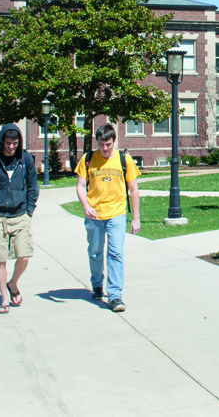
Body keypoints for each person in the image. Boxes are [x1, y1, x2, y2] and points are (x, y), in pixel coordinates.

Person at [75, 123, 141, 312]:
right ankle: (97, 283)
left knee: (115, 253)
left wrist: (135, 218)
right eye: (102, 144)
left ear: (114, 141)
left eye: (109, 144)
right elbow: (80, 186)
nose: (105, 149)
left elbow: (134, 189)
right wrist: (85, 206)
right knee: (95, 253)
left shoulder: (124, 159)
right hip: (94, 214)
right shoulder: (88, 159)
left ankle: (114, 295)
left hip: (117, 214)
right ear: (97, 142)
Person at [0, 125, 39, 315]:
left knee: (24, 256)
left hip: (20, 214)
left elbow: (32, 187)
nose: (11, 147)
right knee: (0, 258)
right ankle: (4, 298)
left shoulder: (25, 159)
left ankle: (12, 283)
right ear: (1, 142)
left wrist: (29, 211)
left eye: (14, 143)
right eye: (8, 143)